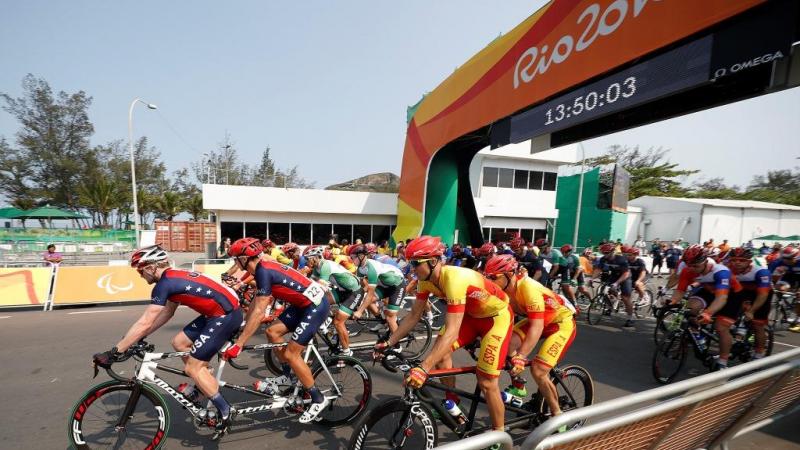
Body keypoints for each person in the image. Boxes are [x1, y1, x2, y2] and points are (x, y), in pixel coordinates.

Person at [92, 245, 242, 437]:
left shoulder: (164, 284)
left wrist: (114, 352)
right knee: (179, 343)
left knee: (193, 368)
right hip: (216, 313)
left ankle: (226, 410)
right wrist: (139, 336)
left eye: (140, 270)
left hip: (225, 315)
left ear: (150, 267)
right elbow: (167, 313)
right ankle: (204, 381)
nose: (139, 275)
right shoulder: (171, 277)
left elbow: (146, 321)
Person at [375, 235, 513, 435]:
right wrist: (389, 342)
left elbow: (451, 331)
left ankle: (500, 435)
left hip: (495, 318)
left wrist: (423, 368)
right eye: (410, 263)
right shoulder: (426, 280)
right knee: (441, 356)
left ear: (433, 261)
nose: (411, 269)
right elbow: (414, 316)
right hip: (472, 317)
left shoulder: (454, 279)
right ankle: (452, 403)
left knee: (487, 382)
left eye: (415, 263)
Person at [223, 238, 330, 422]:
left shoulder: (263, 271)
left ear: (244, 258)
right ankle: (289, 376)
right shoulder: (261, 269)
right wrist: (239, 328)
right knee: (272, 333)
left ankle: (318, 398)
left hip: (315, 306)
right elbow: (257, 302)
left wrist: (239, 344)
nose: (234, 263)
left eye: (235, 259)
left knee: (291, 354)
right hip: (302, 305)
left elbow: (258, 311)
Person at [482, 254, 575, 432]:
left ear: (509, 275)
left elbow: (537, 326)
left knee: (539, 371)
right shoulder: (501, 290)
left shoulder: (528, 288)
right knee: (507, 345)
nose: (490, 281)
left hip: (560, 323)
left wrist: (522, 356)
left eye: (493, 277)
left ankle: (558, 416)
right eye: (487, 277)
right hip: (537, 320)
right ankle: (519, 385)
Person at [669, 245, 742, 370]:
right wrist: (672, 301)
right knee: (690, 308)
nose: (692, 269)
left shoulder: (720, 271)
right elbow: (680, 291)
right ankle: (698, 335)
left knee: (721, 327)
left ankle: (722, 362)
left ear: (705, 261)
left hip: (731, 295)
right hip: (709, 290)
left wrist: (708, 313)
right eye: (689, 265)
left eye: (696, 266)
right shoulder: (688, 270)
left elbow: (721, 298)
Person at [304, 245, 364, 355]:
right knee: (319, 300)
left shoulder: (325, 266)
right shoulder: (317, 267)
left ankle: (347, 352)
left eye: (307, 259)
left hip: (354, 292)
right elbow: (309, 282)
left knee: (338, 322)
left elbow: (320, 286)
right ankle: (326, 323)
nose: (306, 261)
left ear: (315, 257)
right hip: (343, 290)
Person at [348, 244, 406, 335]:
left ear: (361, 256)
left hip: (397, 286)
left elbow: (370, 293)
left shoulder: (371, 268)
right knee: (367, 300)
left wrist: (360, 311)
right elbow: (361, 288)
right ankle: (382, 320)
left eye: (352, 257)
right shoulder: (360, 268)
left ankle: (396, 345)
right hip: (384, 285)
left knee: (390, 317)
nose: (351, 260)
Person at [727, 247, 771, 357]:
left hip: (761, 294)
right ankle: (736, 336)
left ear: (749, 261)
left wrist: (751, 311)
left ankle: (759, 353)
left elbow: (763, 295)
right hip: (743, 292)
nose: (737, 263)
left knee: (757, 325)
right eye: (733, 260)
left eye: (741, 260)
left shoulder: (761, 272)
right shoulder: (727, 270)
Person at [596, 242, 634, 328]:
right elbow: (598, 270)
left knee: (625, 298)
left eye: (606, 253)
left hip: (625, 276)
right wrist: (591, 278)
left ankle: (630, 318)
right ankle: (611, 306)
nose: (604, 254)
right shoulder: (603, 259)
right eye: (603, 253)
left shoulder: (621, 259)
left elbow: (626, 273)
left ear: (612, 251)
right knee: (605, 290)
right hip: (614, 275)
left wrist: (616, 283)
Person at [768, 246, 800, 332]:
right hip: (789, 276)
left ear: (796, 257)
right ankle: (782, 307)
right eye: (784, 258)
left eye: (789, 258)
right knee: (778, 289)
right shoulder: (779, 261)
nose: (786, 260)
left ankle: (798, 321)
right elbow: (768, 274)